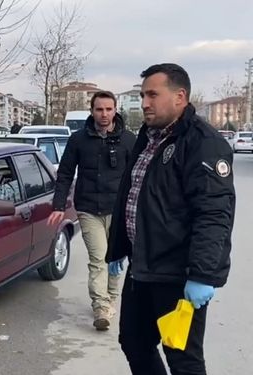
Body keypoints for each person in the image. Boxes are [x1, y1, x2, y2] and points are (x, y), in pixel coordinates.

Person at [106, 63, 235, 375]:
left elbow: (214, 212)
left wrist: (203, 274)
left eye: (153, 94)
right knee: (134, 342)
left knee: (182, 358)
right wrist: (117, 248)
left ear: (180, 96)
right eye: (142, 95)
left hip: (177, 275)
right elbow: (135, 195)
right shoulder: (148, 138)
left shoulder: (203, 142)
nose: (145, 102)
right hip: (142, 267)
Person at [48, 90, 136, 331]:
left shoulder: (129, 140)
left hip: (118, 211)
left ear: (115, 110)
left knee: (115, 258)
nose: (104, 114)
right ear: (92, 111)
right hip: (88, 209)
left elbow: (139, 177)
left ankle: (110, 299)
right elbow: (65, 173)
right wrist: (58, 206)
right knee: (99, 259)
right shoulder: (78, 140)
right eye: (99, 109)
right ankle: (100, 307)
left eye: (109, 109)